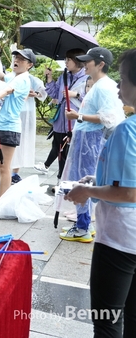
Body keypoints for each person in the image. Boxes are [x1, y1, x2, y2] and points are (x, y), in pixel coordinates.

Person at [64, 48, 136, 336]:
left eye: (124, 79)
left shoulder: (126, 131)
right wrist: (98, 178)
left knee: (107, 319)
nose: (119, 86)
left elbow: (129, 193)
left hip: (121, 238)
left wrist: (87, 190)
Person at [60, 47, 125, 243]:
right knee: (82, 178)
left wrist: (77, 116)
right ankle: (84, 222)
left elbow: (108, 118)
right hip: (86, 139)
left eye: (88, 61)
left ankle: (82, 227)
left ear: (100, 64)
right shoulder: (99, 85)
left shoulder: (104, 87)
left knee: (82, 180)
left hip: (90, 140)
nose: (84, 64)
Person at [0, 49, 33, 216]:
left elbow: (8, 90)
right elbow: (5, 77)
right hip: (0, 125)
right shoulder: (16, 76)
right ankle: (0, 197)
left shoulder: (23, 79)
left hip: (10, 127)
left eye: (22, 59)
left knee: (4, 167)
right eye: (16, 57)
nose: (16, 60)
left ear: (29, 65)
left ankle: (2, 205)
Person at [34, 49, 88, 179]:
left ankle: (69, 180)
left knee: (72, 154)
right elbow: (54, 94)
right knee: (60, 151)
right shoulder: (64, 77)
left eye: (69, 59)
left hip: (74, 122)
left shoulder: (87, 78)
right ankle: (61, 179)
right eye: (65, 59)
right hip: (60, 122)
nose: (66, 62)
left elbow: (91, 100)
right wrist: (49, 78)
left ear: (78, 61)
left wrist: (76, 95)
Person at [8, 71, 48, 182]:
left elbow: (43, 93)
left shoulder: (32, 79)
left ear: (29, 65)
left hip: (26, 112)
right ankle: (6, 170)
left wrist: (35, 93)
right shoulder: (9, 77)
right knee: (9, 141)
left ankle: (15, 172)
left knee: (21, 141)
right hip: (11, 111)